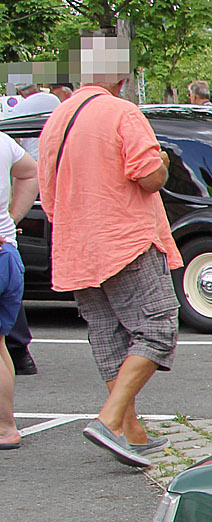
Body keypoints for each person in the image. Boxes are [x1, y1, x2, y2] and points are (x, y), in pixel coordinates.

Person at [38, 33, 180, 467]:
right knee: (158, 328)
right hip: (125, 238)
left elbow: (47, 192)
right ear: (119, 75)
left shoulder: (55, 119)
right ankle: (109, 419)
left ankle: (129, 433)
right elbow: (149, 176)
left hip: (75, 243)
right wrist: (165, 163)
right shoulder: (122, 111)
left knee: (108, 336)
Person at [0, 128, 39, 449]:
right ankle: (5, 427)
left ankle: (5, 429)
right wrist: (11, 219)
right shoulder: (3, 141)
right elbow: (30, 172)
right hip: (7, 254)